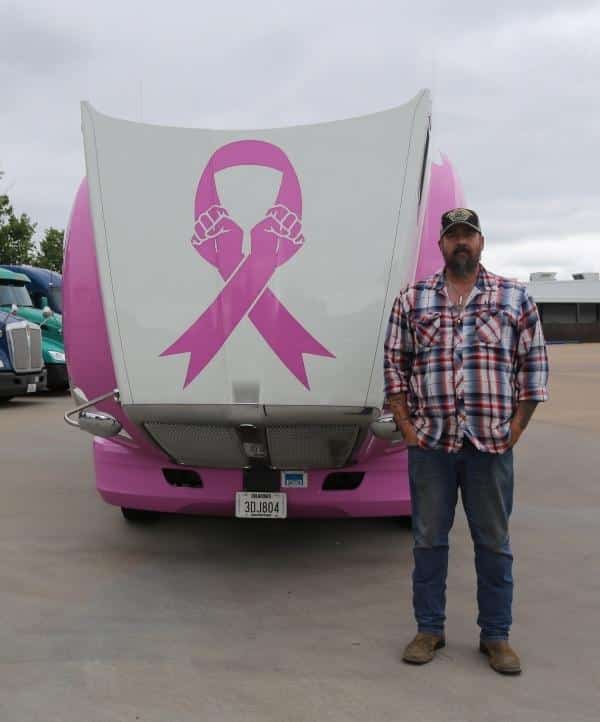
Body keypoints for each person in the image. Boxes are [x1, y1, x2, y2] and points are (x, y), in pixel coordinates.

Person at [384, 208, 549, 675]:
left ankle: (496, 637)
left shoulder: (514, 297)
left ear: (481, 243)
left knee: (494, 543)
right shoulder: (413, 300)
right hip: (431, 446)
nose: (461, 243)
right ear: (440, 244)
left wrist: (516, 428)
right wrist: (408, 427)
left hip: (490, 448)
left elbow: (532, 368)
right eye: (452, 235)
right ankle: (429, 630)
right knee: (428, 541)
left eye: (468, 235)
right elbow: (396, 366)